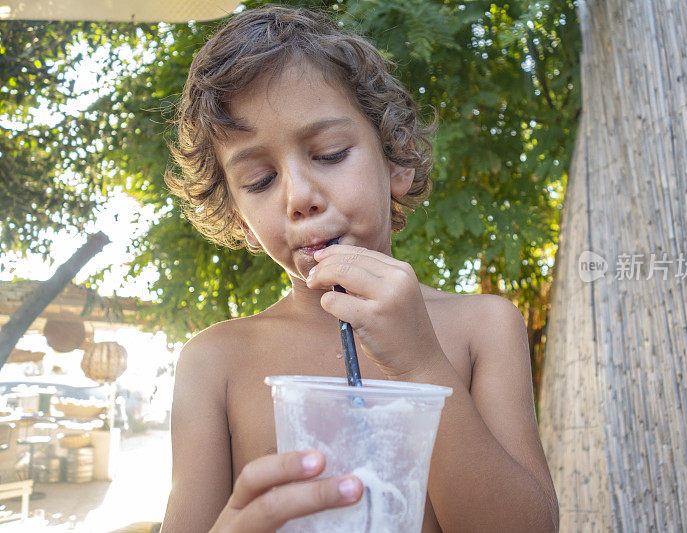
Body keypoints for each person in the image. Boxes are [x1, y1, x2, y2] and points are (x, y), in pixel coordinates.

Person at [160, 5, 558, 532]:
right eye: (259, 181)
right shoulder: (214, 364)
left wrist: (419, 366)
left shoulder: (483, 327)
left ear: (397, 160)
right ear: (239, 215)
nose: (298, 197)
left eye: (330, 153)